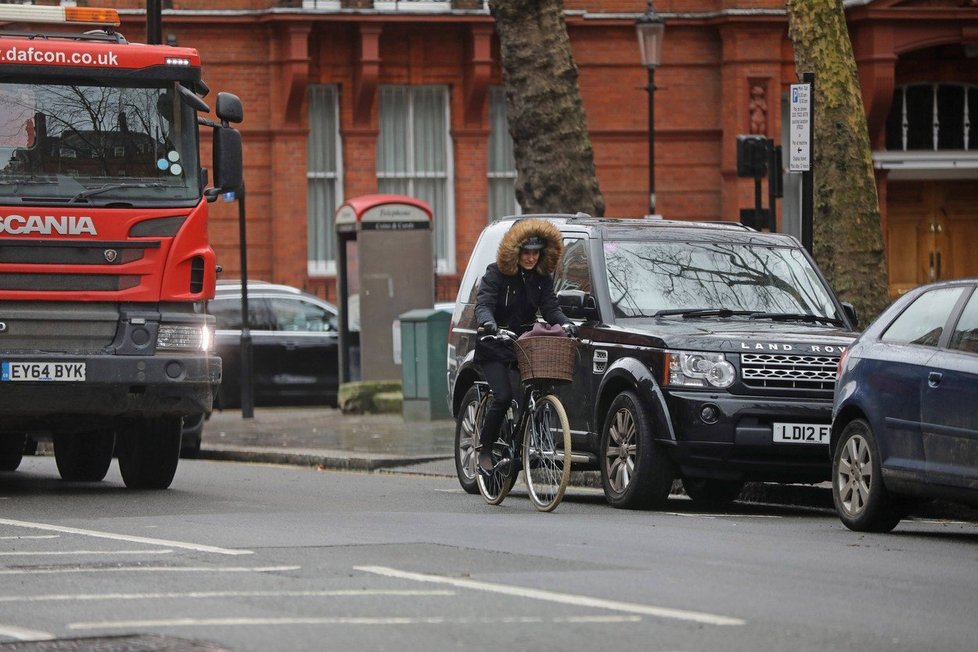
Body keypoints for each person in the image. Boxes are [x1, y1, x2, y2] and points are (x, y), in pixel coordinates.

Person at [473, 218, 579, 476]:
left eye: (536, 253)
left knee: (531, 394)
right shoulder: (495, 273)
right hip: (495, 344)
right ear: (515, 251)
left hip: (523, 346)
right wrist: (489, 323)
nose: (531, 258)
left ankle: (522, 446)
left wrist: (567, 324)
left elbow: (551, 309)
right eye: (526, 252)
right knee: (504, 396)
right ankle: (485, 449)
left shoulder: (541, 279)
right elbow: (483, 304)